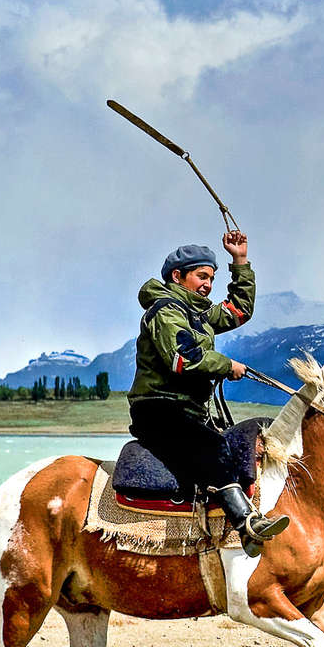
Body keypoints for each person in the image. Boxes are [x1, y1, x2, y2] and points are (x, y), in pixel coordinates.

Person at [125, 230, 288, 555]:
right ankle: (246, 525)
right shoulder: (165, 310)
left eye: (212, 278)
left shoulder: (198, 313)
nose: (208, 285)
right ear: (177, 276)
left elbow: (239, 310)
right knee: (213, 447)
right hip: (159, 410)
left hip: (187, 411)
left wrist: (239, 261)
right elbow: (183, 357)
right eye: (202, 276)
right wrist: (226, 365)